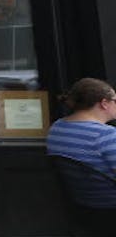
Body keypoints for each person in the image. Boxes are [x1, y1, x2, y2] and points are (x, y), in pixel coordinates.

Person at [46, 77, 116, 207]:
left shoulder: (57, 127)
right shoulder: (106, 135)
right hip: (110, 206)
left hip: (82, 207)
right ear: (104, 103)